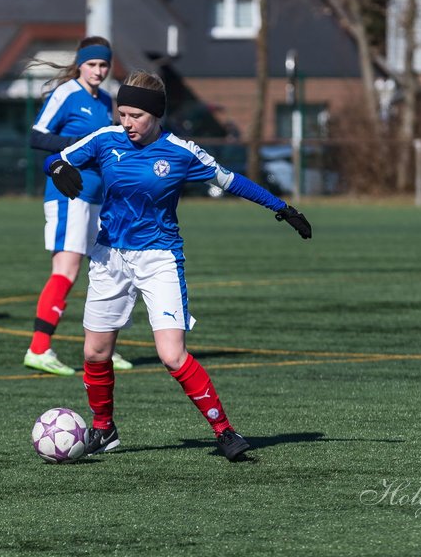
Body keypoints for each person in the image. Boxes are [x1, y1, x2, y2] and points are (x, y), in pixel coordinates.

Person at [45, 69, 312, 461]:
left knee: (172, 354)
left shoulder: (181, 152)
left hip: (159, 259)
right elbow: (57, 158)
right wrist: (56, 168)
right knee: (95, 354)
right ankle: (103, 427)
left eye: (135, 115)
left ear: (156, 115)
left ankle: (223, 432)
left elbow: (232, 181)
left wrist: (282, 209)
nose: (126, 122)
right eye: (122, 113)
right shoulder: (106, 140)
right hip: (109, 258)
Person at [24, 37, 134, 376]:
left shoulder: (105, 101)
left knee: (111, 271)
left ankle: (105, 350)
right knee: (66, 271)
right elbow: (37, 136)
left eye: (104, 65)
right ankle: (38, 349)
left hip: (99, 199)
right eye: (93, 64)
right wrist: (79, 144)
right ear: (80, 64)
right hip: (67, 196)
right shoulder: (67, 93)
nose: (99, 71)